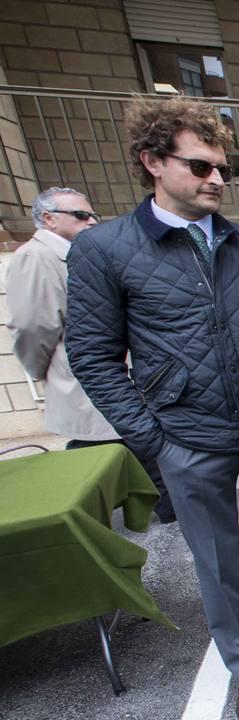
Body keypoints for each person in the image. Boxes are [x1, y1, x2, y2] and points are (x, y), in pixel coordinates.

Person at [65, 97, 239, 720]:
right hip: (186, 437)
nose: (216, 180)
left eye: (223, 169)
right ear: (153, 162)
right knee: (215, 557)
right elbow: (94, 356)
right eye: (201, 165)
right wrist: (153, 440)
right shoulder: (105, 250)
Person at [7, 187, 177, 523]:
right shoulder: (35, 258)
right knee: (119, 454)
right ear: (48, 219)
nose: (92, 221)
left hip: (109, 380)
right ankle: (74, 527)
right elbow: (31, 326)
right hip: (85, 378)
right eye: (80, 215)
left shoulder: (82, 252)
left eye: (92, 215)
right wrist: (42, 369)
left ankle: (83, 520)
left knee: (114, 455)